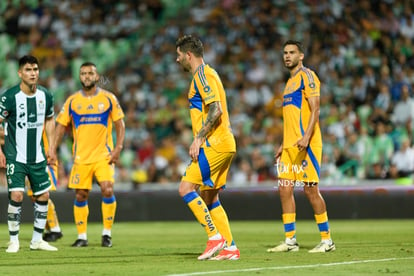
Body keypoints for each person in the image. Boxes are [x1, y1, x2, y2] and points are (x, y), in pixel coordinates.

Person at [267, 40, 336, 253]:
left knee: (310, 190)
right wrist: (282, 143)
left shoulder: (308, 76)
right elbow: (290, 118)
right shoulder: (288, 83)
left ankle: (327, 241)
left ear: (301, 55)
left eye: (292, 52)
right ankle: (290, 241)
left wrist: (306, 137)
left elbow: (315, 110)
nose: (287, 56)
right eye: (285, 53)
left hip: (307, 144)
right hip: (290, 145)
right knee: (284, 189)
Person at [176, 35, 240, 260]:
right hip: (225, 143)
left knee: (185, 189)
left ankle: (214, 237)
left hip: (215, 143)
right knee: (210, 198)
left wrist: (198, 138)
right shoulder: (208, 74)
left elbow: (216, 109)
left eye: (179, 55)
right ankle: (230, 247)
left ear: (189, 55)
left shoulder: (202, 75)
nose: (177, 60)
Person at [54, 62, 125, 248]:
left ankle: (106, 234)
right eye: (83, 73)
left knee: (108, 189)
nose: (86, 76)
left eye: (90, 73)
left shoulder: (109, 98)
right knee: (80, 195)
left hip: (104, 155)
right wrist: (52, 150)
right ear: (80, 77)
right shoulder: (72, 101)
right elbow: (60, 126)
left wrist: (118, 148)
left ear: (96, 76)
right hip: (81, 158)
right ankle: (82, 237)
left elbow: (120, 124)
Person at [0, 55, 58, 253]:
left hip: (38, 157)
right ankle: (14, 240)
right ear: (19, 73)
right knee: (17, 195)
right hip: (15, 155)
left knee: (43, 195)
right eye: (28, 70)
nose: (33, 73)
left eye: (35, 69)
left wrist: (51, 147)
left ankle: (37, 240)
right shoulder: (9, 97)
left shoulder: (46, 95)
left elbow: (50, 120)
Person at [26, 130, 63, 242]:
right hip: (31, 161)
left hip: (45, 160)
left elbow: (53, 132)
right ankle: (49, 229)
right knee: (34, 196)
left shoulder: (42, 118)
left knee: (42, 194)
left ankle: (55, 229)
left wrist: (52, 150)